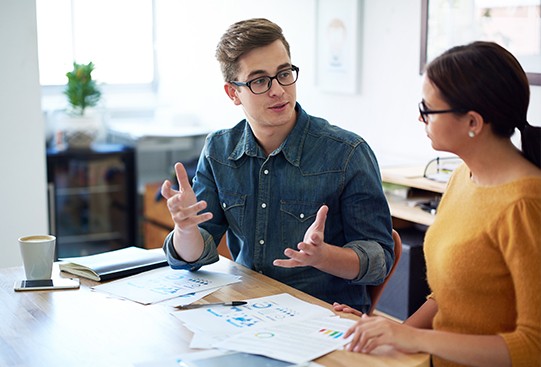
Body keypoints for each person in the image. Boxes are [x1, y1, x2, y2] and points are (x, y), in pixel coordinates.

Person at [160, 18, 394, 312]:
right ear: (233, 93)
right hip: (246, 309)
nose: (278, 90)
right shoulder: (219, 150)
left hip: (323, 315)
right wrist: (185, 230)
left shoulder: (347, 153)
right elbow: (194, 258)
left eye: (284, 73)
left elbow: (380, 260)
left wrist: (323, 256)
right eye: (259, 80)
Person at [334, 41, 541, 366]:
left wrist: (412, 338)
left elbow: (533, 347)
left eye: (428, 109)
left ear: (473, 122)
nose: (420, 118)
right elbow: (451, 297)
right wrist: (386, 333)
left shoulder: (525, 205)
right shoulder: (463, 177)